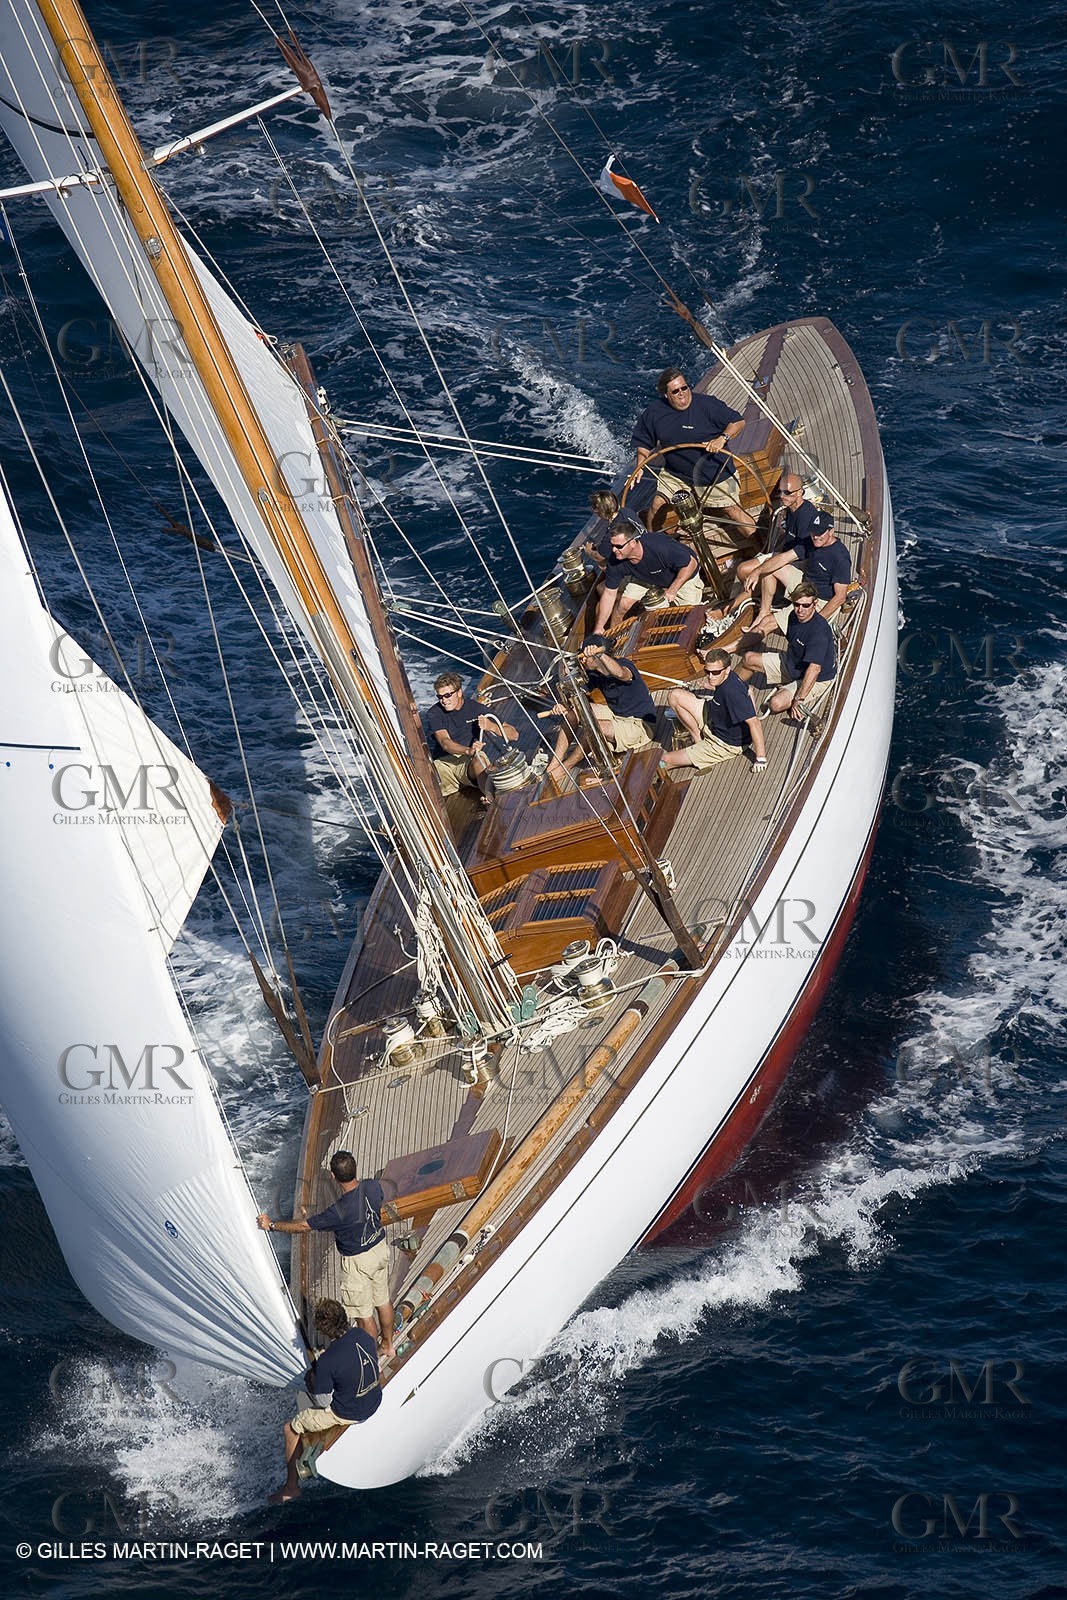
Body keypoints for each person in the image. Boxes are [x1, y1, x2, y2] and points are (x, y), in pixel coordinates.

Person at [258, 1149, 396, 1360]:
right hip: (379, 1249)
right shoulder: (372, 1186)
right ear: (355, 1168)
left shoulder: (339, 1211)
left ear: (333, 1176)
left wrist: (272, 1225)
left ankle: (370, 1360)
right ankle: (388, 1345)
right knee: (383, 1301)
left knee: (364, 1314)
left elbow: (304, 1226)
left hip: (358, 1262)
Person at [270, 1298, 381, 1503]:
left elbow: (322, 1402)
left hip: (349, 1413)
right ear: (344, 1317)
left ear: (323, 1329)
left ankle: (291, 1487)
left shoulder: (328, 1360)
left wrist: (315, 1380)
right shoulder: (362, 1335)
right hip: (375, 1399)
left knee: (291, 1429)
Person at [629, 368, 755, 538]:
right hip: (677, 474)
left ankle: (763, 546)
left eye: (684, 388)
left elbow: (738, 422)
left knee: (732, 510)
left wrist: (721, 439)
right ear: (666, 395)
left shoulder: (707, 405)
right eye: (675, 391)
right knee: (656, 505)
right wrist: (640, 465)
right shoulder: (654, 413)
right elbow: (643, 442)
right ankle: (655, 543)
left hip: (714, 474)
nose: (682, 393)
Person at [736, 474, 851, 631]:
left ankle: (753, 605)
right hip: (804, 581)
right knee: (762, 569)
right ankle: (762, 609)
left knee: (766, 620)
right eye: (781, 492)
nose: (816, 537)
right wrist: (759, 571)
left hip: (817, 595)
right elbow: (786, 556)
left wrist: (817, 622)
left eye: (787, 493)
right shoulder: (807, 534)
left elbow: (839, 597)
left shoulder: (839, 556)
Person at [544, 634, 658, 783]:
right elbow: (576, 698)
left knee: (592, 726)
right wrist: (563, 705)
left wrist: (601, 654)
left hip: (641, 726)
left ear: (597, 657)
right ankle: (555, 762)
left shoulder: (625, 665)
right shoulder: (594, 674)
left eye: (585, 656)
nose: (582, 660)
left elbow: (620, 674)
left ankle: (564, 768)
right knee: (575, 712)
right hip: (618, 717)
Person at [735, 582, 837, 723]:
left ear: (815, 604)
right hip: (794, 665)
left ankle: (788, 690)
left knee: (775, 704)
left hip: (817, 678)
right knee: (748, 659)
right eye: (797, 604)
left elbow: (814, 669)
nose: (800, 610)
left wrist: (798, 699)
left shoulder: (818, 632)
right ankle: (730, 687)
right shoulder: (793, 617)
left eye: (806, 605)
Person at [660, 648, 767, 774]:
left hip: (725, 743)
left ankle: (701, 750)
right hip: (713, 717)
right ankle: (698, 739)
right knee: (675, 695)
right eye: (707, 671)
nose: (710, 676)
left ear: (727, 669)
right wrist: (710, 686)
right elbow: (748, 690)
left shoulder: (732, 693)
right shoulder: (727, 678)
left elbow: (754, 723)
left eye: (715, 672)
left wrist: (760, 759)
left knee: (663, 761)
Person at [592, 519, 703, 632]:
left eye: (618, 546)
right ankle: (615, 637)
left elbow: (691, 564)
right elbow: (609, 593)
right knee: (623, 604)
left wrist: (672, 590)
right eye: (612, 545)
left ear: (633, 543)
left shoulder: (659, 546)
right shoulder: (615, 559)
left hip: (682, 577)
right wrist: (599, 626)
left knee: (690, 616)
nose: (614, 550)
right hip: (646, 577)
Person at [423, 672, 517, 803]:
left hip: (469, 763)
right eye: (440, 697)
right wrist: (468, 750)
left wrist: (492, 726)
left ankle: (492, 798)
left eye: (448, 695)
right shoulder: (434, 713)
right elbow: (445, 742)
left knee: (479, 759)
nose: (444, 700)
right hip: (445, 765)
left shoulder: (476, 709)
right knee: (422, 785)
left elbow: (514, 734)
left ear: (459, 692)